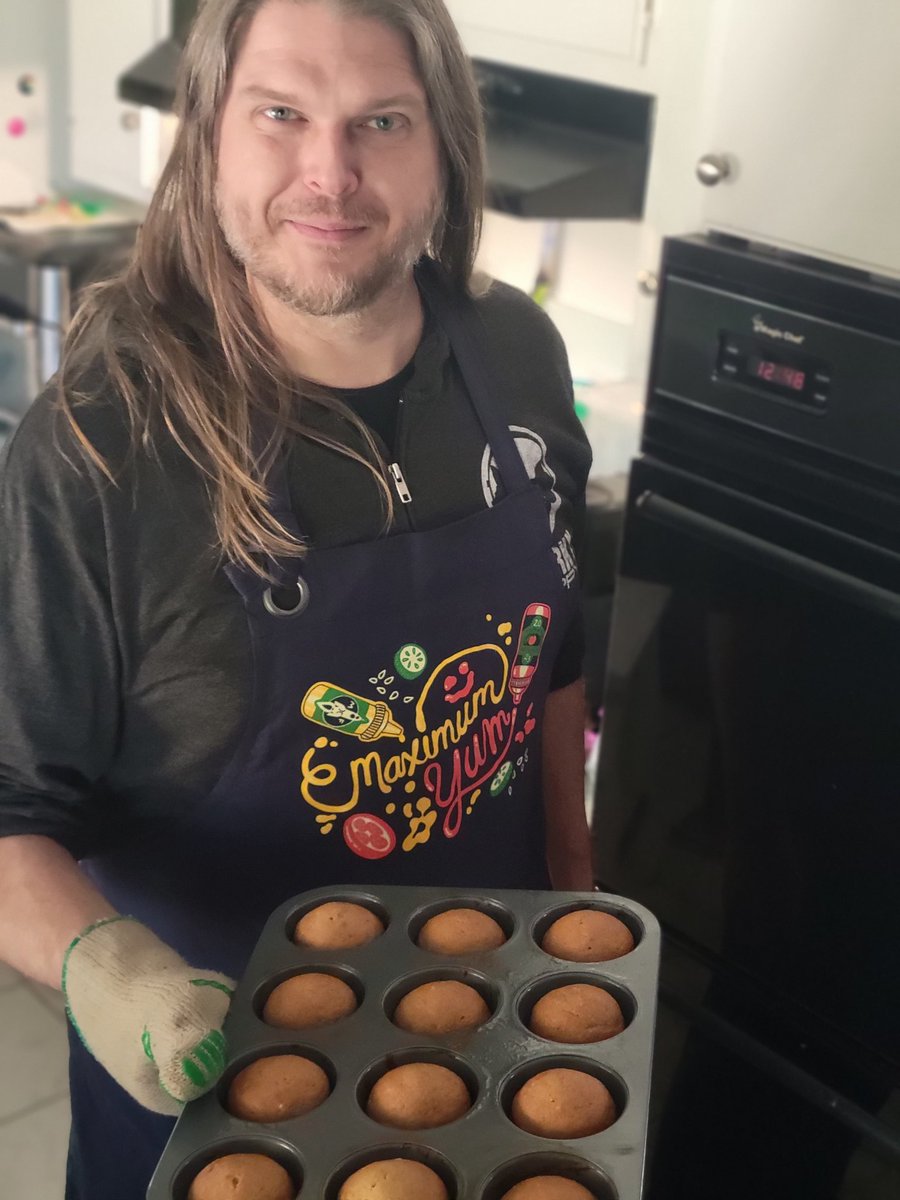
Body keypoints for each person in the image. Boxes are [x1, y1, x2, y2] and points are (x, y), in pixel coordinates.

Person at [0, 0, 593, 1195]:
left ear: (444, 148)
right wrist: (115, 977)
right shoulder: (102, 447)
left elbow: (551, 663)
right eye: (282, 115)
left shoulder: (519, 356)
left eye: (383, 120)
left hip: (499, 1049)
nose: (332, 174)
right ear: (211, 134)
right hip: (219, 1091)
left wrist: (580, 902)